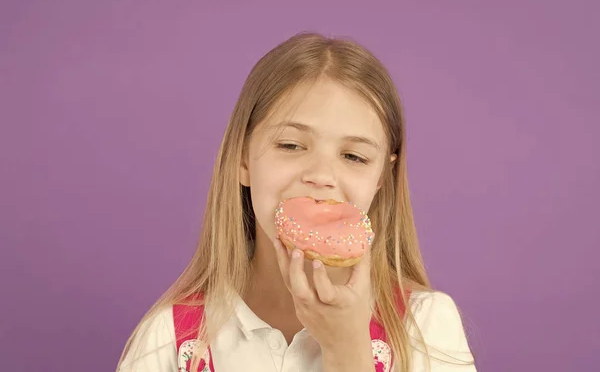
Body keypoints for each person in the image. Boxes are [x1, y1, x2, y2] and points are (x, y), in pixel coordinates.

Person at [116, 32, 476, 372]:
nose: (321, 175)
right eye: (291, 145)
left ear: (381, 177)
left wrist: (347, 350)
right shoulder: (169, 337)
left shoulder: (427, 328)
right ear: (243, 159)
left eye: (354, 156)